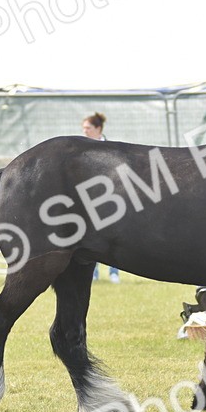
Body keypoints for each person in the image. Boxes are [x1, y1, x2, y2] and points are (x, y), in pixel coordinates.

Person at [82, 111, 119, 284]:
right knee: (91, 235)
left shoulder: (110, 148)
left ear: (98, 128)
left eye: (88, 128)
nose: (85, 131)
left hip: (110, 197)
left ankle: (114, 272)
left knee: (114, 234)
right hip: (89, 198)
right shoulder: (82, 148)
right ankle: (94, 273)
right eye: (84, 128)